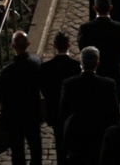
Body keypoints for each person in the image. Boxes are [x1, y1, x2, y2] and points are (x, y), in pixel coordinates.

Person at [60, 46, 120, 165]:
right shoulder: (108, 84)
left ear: (81, 63)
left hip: (77, 134)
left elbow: (63, 112)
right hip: (99, 133)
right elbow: (114, 113)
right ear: (98, 63)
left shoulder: (69, 84)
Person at [0, 31, 42, 165]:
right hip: (32, 111)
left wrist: (8, 102)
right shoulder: (36, 62)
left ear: (12, 46)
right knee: (35, 146)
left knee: (17, 150)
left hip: (14, 114)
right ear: (28, 44)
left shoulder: (8, 70)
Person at [39, 31, 81, 165]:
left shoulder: (45, 67)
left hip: (55, 109)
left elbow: (44, 90)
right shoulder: (76, 66)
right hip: (72, 110)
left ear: (54, 46)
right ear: (69, 45)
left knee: (59, 141)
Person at [77, 0, 120, 97]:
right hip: (115, 72)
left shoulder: (85, 28)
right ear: (110, 8)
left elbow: (83, 49)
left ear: (94, 8)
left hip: (95, 73)